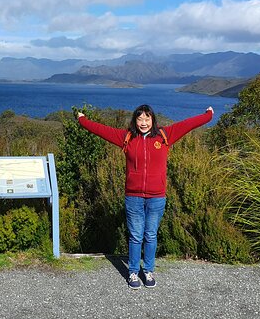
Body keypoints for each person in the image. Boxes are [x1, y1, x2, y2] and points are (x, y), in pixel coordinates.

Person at [76, 104, 213, 289]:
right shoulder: (127, 137)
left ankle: (147, 270)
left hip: (157, 197)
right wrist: (82, 120)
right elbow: (102, 130)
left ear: (153, 120)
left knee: (150, 235)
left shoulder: (165, 135)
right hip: (133, 197)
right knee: (135, 236)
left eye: (147, 119)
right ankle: (133, 272)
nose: (143, 123)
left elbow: (189, 124)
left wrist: (208, 115)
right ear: (135, 120)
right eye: (140, 119)